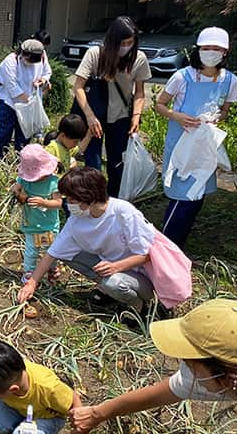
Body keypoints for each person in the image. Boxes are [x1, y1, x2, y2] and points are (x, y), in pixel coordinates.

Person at [69, 299, 237, 434]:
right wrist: (96, 414)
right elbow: (159, 394)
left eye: (189, 363)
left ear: (229, 378)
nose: (184, 370)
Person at [18, 167, 156, 313]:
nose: (68, 204)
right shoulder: (77, 219)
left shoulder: (123, 212)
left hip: (142, 278)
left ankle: (139, 307)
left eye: (72, 199)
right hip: (110, 268)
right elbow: (52, 253)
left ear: (88, 197)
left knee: (113, 283)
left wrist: (116, 267)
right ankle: (107, 290)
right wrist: (31, 283)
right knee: (67, 254)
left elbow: (147, 254)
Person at [154, 26, 237, 249]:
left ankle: (178, 241)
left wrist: (214, 119)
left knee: (197, 193)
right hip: (181, 141)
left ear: (225, 53)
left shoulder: (230, 80)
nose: (211, 52)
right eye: (206, 48)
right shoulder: (181, 77)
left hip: (204, 144)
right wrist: (177, 116)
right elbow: (160, 104)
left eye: (216, 49)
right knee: (181, 195)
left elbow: (225, 110)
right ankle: (167, 245)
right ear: (198, 50)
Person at [72, 16, 151, 196]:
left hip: (120, 118)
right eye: (122, 43)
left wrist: (136, 117)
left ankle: (113, 202)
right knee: (93, 164)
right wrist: (90, 117)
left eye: (130, 42)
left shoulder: (139, 59)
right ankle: (92, 201)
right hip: (93, 118)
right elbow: (78, 87)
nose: (125, 47)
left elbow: (139, 92)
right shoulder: (95, 54)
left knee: (118, 165)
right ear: (112, 41)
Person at [11, 144, 62, 294]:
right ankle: (29, 274)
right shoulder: (24, 179)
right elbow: (16, 188)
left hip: (48, 226)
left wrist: (44, 202)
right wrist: (18, 193)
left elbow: (58, 203)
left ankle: (52, 269)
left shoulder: (53, 182)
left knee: (49, 251)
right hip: (31, 224)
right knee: (31, 251)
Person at [0, 39, 52, 158]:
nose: (31, 64)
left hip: (29, 103)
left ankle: (22, 158)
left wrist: (43, 80)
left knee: (25, 132)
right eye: (30, 60)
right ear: (24, 54)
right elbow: (12, 87)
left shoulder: (42, 56)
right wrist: (30, 101)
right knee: (3, 131)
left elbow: (47, 72)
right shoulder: (10, 62)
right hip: (8, 102)